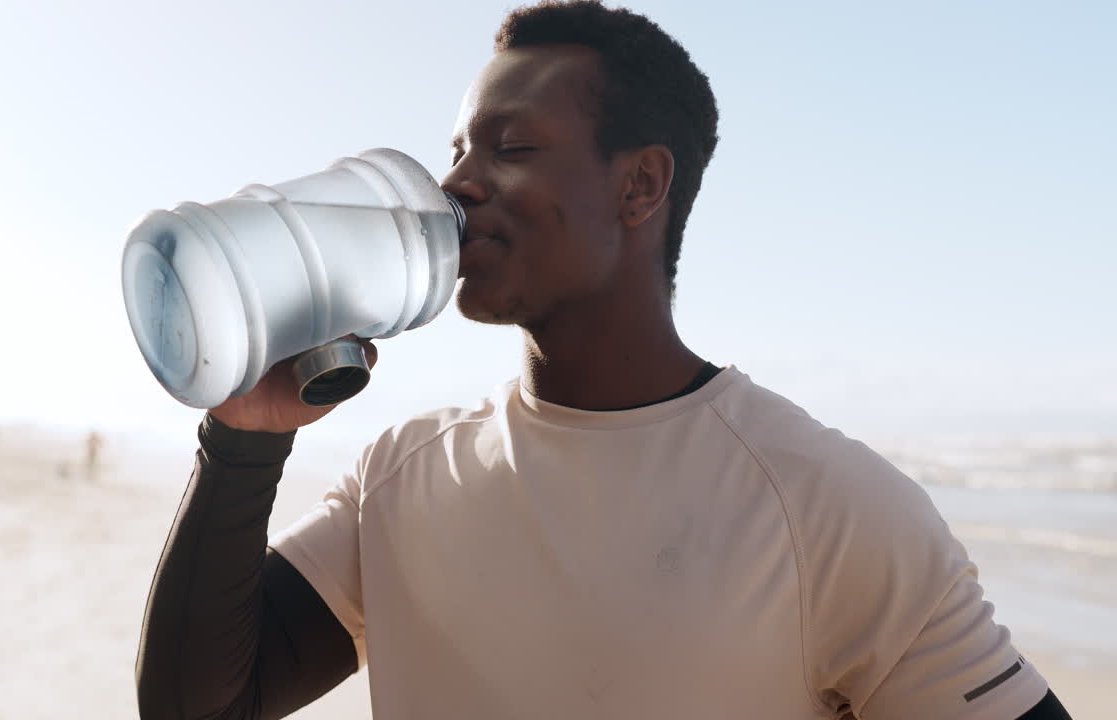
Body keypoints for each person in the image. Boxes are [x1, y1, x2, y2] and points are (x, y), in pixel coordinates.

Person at [135, 2, 1073, 718]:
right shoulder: (404, 474)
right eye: (458, 149)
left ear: (640, 184)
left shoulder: (824, 504)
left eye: (512, 148)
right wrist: (245, 436)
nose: (456, 184)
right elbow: (199, 705)